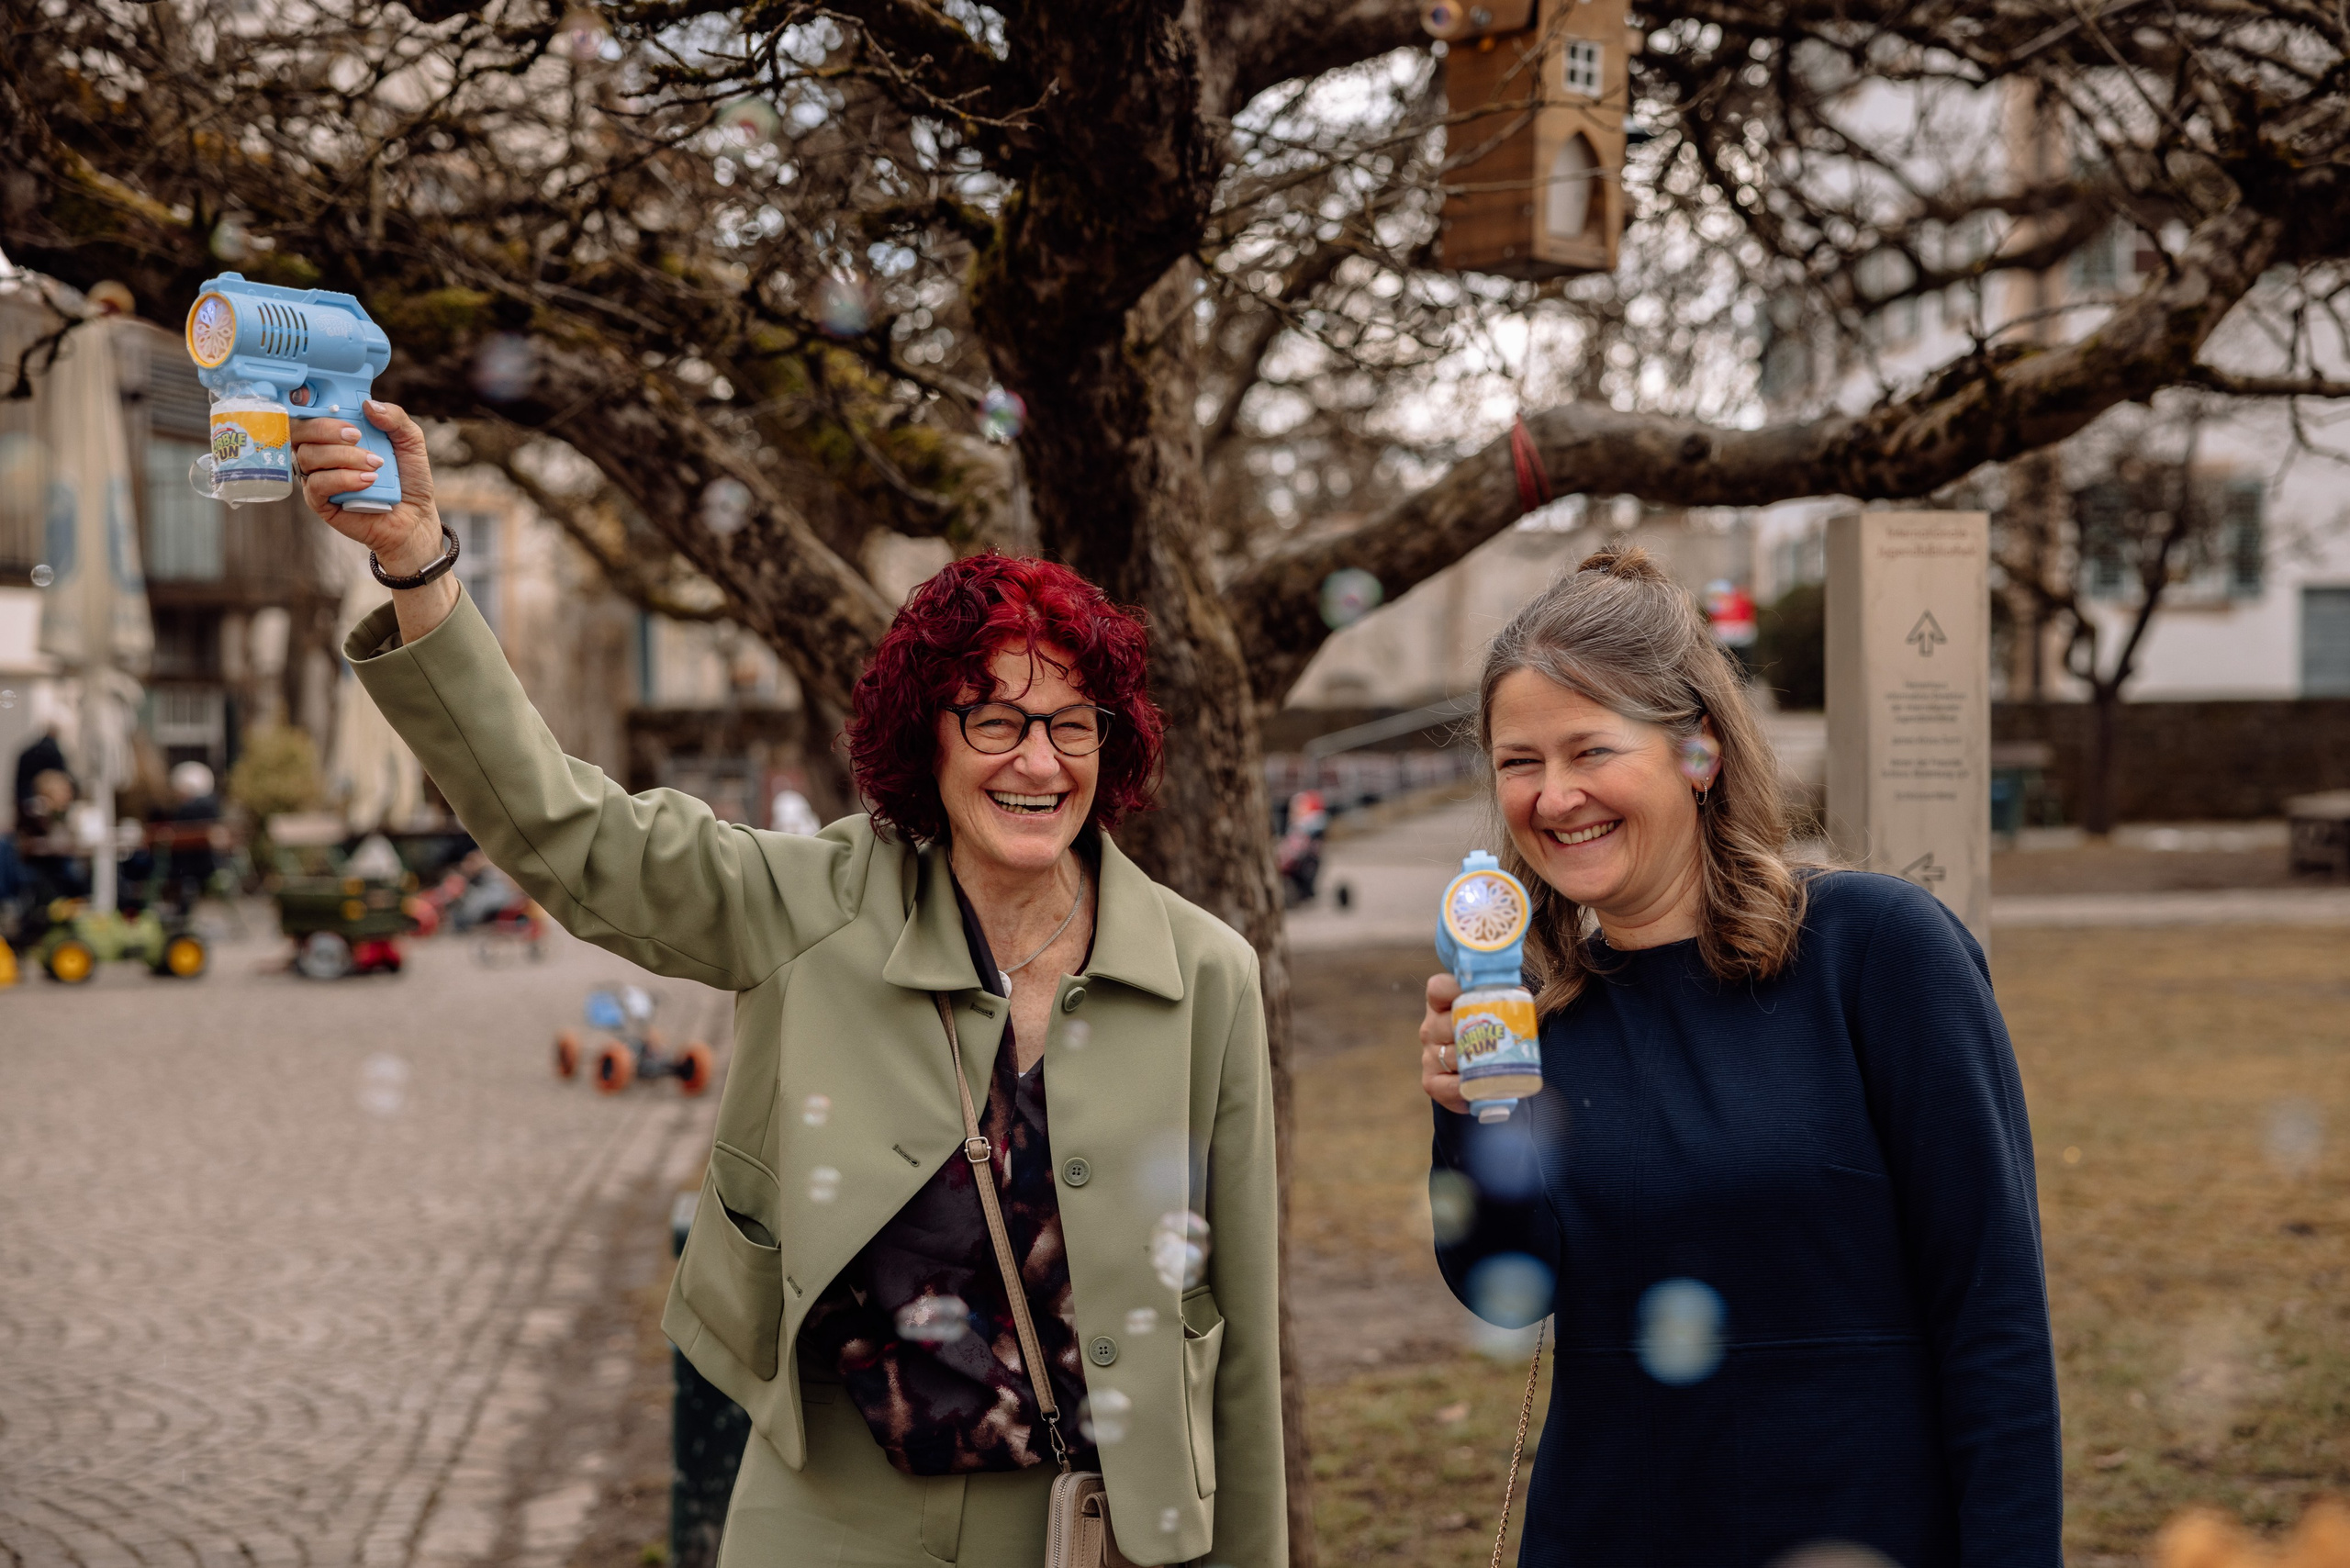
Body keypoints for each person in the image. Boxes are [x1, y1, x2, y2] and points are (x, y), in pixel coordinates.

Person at [292, 401, 1283, 1568]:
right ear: (931, 738)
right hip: (835, 1515)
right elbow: (570, 833)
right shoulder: (807, 904)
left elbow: (1239, 1325)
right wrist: (419, 564)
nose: (1038, 760)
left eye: (1074, 724)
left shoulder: (1205, 971)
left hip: (1100, 1529)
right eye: (997, 719)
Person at [1416, 547, 2059, 1568]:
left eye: (1590, 750)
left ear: (1698, 753)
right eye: (1519, 762)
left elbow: (1993, 1318)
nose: (1553, 796)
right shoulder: (1546, 1019)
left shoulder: (1878, 952)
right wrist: (1470, 1112)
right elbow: (1509, 1287)